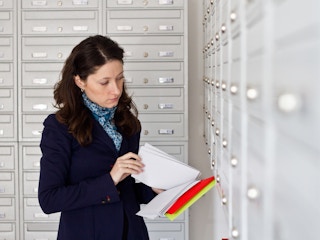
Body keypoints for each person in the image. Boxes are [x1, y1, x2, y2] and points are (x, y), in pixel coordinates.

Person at [38, 35, 160, 240]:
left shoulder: (128, 123)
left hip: (132, 232)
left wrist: (156, 190)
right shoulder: (59, 127)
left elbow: (126, 191)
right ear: (79, 81)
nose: (116, 89)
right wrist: (110, 179)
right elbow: (49, 200)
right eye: (105, 82)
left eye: (120, 78)